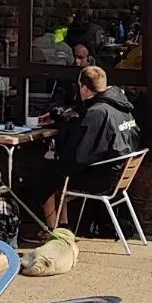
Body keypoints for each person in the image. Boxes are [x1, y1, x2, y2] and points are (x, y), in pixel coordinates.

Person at [28, 66, 140, 235]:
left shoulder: (97, 113)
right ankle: (63, 225)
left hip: (102, 178)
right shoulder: (121, 106)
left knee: (46, 173)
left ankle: (52, 231)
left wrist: (57, 157)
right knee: (56, 172)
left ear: (84, 88)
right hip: (119, 173)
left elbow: (77, 155)